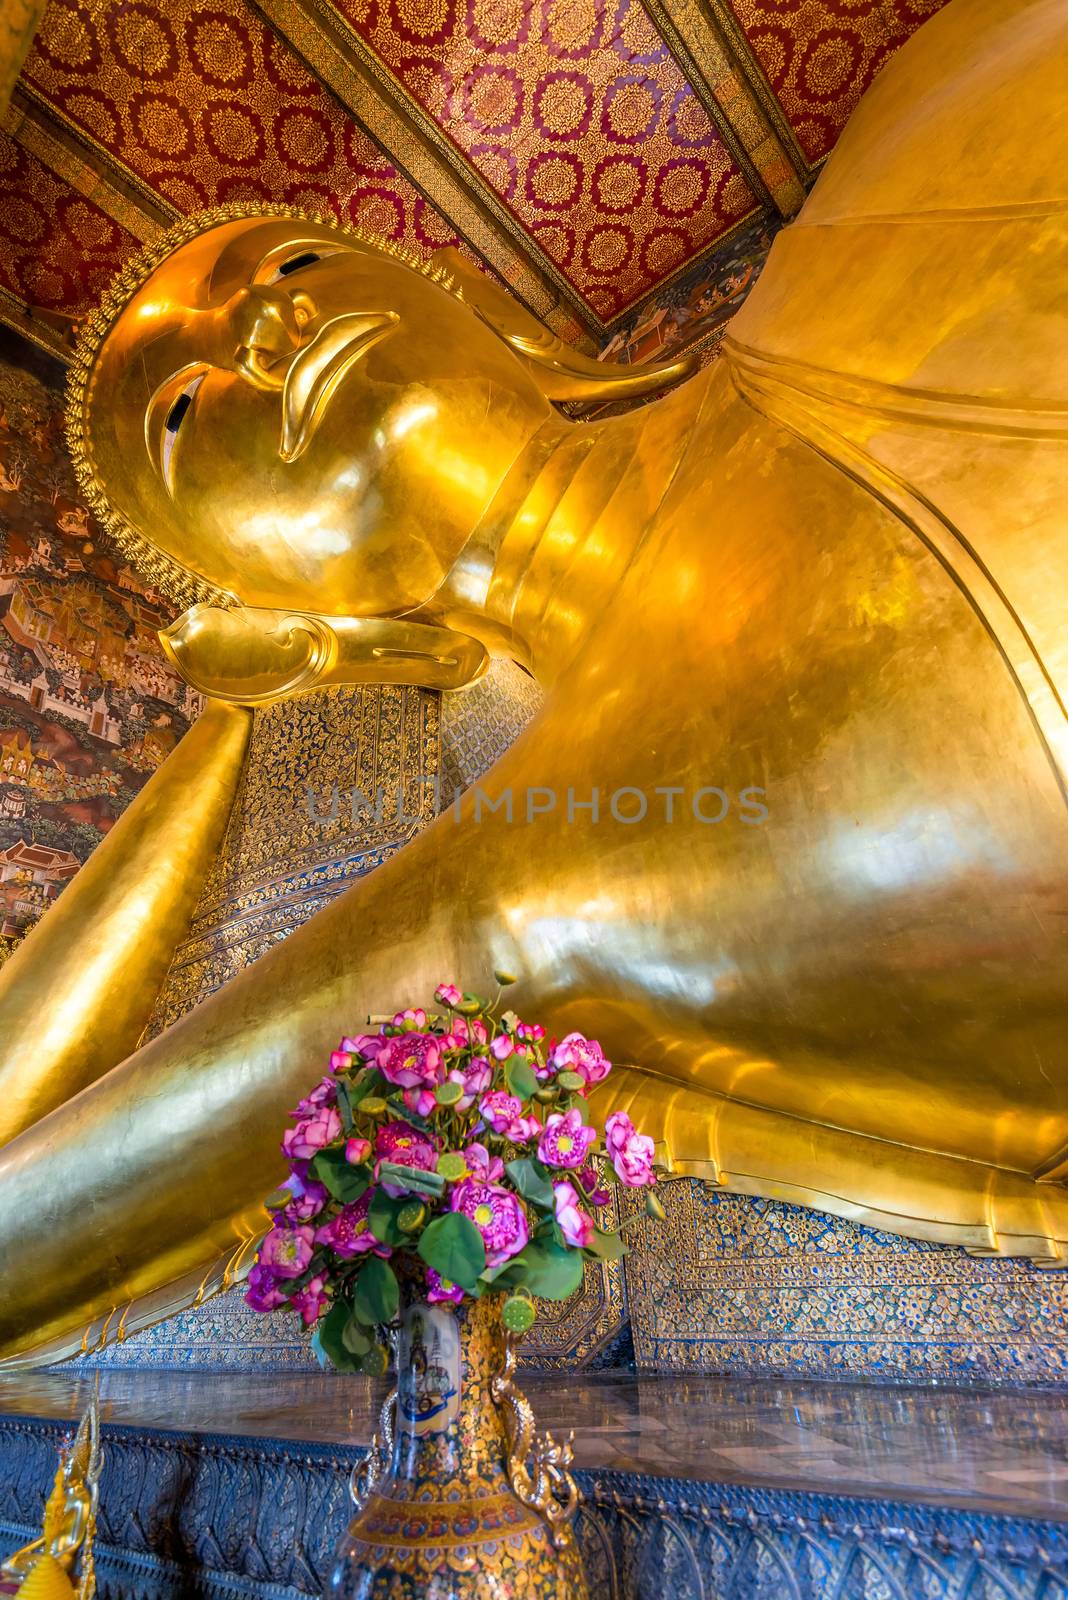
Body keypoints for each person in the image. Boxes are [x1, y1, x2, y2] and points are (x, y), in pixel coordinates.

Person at [0, 0, 1066, 1366]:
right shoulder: (546, 865)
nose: (260, 325)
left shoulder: (916, 154)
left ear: (488, 313)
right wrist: (241, 730)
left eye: (293, 259)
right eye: (187, 414)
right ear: (270, 611)